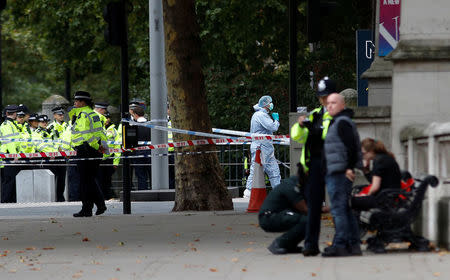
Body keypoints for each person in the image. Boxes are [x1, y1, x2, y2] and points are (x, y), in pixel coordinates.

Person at [290, 76, 334, 256]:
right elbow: (297, 137)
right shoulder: (315, 114)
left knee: (337, 206)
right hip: (313, 165)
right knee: (313, 208)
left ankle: (342, 241)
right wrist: (300, 126)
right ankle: (311, 244)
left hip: (332, 164)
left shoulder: (339, 113)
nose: (323, 100)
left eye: (327, 96)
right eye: (321, 97)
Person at [322, 93, 362, 257]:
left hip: (339, 172)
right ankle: (353, 245)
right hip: (337, 171)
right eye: (328, 103)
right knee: (344, 209)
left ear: (342, 105)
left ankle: (340, 244)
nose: (329, 106)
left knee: (339, 210)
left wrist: (349, 168)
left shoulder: (342, 122)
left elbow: (351, 147)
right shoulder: (340, 121)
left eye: (333, 103)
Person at [70, 91, 107, 217]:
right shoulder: (93, 114)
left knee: (85, 182)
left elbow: (87, 135)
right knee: (89, 180)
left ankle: (89, 208)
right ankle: (96, 206)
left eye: (76, 101)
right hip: (93, 150)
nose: (74, 103)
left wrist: (97, 147)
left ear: (82, 102)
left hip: (86, 150)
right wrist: (102, 148)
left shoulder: (83, 115)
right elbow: (100, 132)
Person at [259, 164, 308, 254]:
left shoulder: (297, 184)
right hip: (268, 217)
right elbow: (305, 209)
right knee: (306, 221)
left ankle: (289, 245)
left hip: (275, 215)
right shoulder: (292, 185)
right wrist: (329, 209)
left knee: (306, 219)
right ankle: (279, 243)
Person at [244, 95, 281, 198]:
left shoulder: (262, 114)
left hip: (267, 148)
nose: (271, 104)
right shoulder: (260, 115)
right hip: (261, 147)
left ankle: (278, 192)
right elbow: (272, 127)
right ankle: (249, 191)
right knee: (256, 169)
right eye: (270, 102)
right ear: (266, 104)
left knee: (274, 170)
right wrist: (276, 121)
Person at [351, 138, 401, 210]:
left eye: (363, 153)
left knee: (349, 201)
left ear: (371, 151)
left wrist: (365, 195)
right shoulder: (385, 157)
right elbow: (374, 181)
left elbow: (375, 187)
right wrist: (366, 170)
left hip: (384, 199)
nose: (362, 156)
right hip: (389, 197)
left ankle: (333, 220)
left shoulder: (378, 161)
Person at [0, 105, 20, 203]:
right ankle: (5, 202)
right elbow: (10, 142)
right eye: (15, 112)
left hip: (8, 156)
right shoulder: (7, 125)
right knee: (8, 181)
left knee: (10, 180)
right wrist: (14, 154)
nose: (16, 114)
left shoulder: (11, 124)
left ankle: (10, 201)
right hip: (8, 156)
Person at [129, 105, 152, 190]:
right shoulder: (151, 125)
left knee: (141, 176)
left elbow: (131, 142)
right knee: (152, 175)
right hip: (151, 153)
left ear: (135, 115)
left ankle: (143, 194)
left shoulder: (133, 126)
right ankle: (154, 192)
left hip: (138, 153)